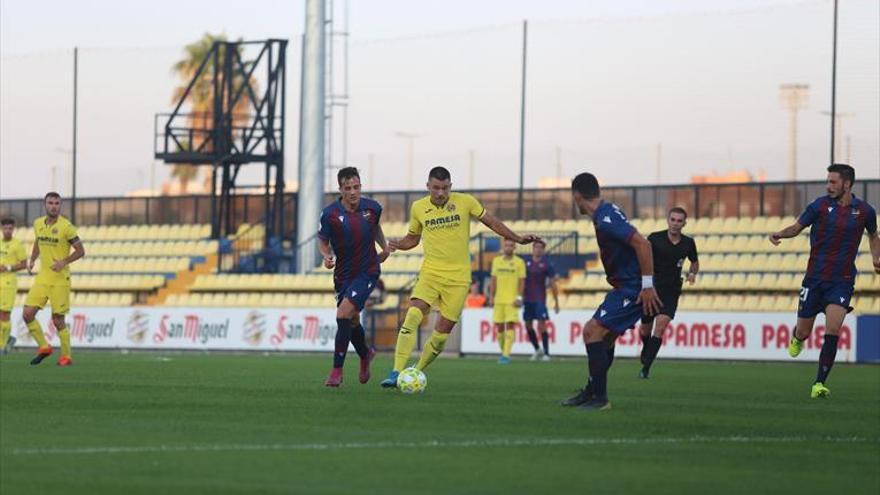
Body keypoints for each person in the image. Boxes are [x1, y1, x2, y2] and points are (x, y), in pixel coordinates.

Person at [379, 166, 540, 387]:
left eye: (445, 188)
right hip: (431, 273)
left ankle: (415, 373)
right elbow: (413, 239)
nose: (440, 193)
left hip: (459, 279)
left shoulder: (465, 202)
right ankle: (396, 372)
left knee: (441, 335)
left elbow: (492, 222)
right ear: (428, 187)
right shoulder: (418, 208)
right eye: (436, 188)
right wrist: (399, 244)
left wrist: (518, 238)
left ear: (450, 186)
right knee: (413, 315)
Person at [770, 164, 879, 399]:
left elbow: (873, 235)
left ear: (847, 184)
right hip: (814, 279)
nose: (828, 186)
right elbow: (797, 227)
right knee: (804, 330)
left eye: (832, 182)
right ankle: (797, 337)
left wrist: (876, 259)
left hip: (842, 280)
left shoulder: (865, 211)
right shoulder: (819, 206)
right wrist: (780, 234)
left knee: (833, 328)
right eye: (827, 181)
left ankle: (819, 383)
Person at [561, 173, 661, 410]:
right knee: (604, 339)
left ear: (577, 196)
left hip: (633, 288)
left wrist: (647, 286)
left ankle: (600, 398)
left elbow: (643, 243)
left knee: (591, 332)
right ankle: (592, 390)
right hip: (625, 285)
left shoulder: (605, 218)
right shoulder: (607, 211)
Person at [318, 167, 392, 387]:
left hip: (368, 270)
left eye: (356, 187)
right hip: (343, 274)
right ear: (340, 189)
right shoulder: (330, 214)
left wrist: (384, 247)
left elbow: (375, 228)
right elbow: (322, 240)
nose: (353, 192)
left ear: (361, 186)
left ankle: (336, 371)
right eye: (348, 188)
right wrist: (326, 255)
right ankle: (365, 353)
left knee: (342, 314)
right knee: (351, 320)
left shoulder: (373, 208)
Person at [23, 192, 86, 366]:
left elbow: (81, 251)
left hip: (60, 279)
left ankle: (66, 356)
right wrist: (33, 259)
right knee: (27, 314)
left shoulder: (67, 227)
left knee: (58, 320)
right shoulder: (38, 223)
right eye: (50, 203)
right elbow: (38, 241)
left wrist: (64, 261)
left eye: (57, 203)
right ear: (45, 204)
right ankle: (44, 347)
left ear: (60, 206)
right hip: (43, 277)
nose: (53, 206)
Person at [637, 207, 699, 378]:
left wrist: (692, 273)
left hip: (671, 291)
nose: (675, 223)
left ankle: (646, 369)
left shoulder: (688, 243)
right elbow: (643, 258)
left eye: (679, 221)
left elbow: (694, 262)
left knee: (661, 327)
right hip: (652, 289)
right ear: (668, 220)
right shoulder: (655, 238)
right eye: (673, 219)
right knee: (644, 330)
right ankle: (646, 347)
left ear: (684, 223)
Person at [488, 238, 526, 364]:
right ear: (503, 247)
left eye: (511, 245)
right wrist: (491, 296)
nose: (509, 247)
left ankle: (506, 355)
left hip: (512, 300)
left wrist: (519, 297)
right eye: (507, 245)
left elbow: (522, 281)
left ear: (515, 247)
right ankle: (503, 351)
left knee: (510, 325)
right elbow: (493, 280)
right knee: (499, 328)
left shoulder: (519, 262)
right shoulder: (496, 261)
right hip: (499, 300)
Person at [522, 239, 559, 361]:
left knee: (542, 325)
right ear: (533, 248)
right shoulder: (525, 263)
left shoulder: (547, 264)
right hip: (527, 298)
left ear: (543, 250)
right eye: (536, 247)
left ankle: (547, 353)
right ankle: (538, 349)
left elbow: (553, 283)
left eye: (540, 247)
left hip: (539, 299)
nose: (538, 249)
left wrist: (556, 301)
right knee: (528, 325)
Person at [1, 218, 28, 354]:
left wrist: (9, 267)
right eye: (5, 228)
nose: (7, 231)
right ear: (1, 229)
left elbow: (24, 263)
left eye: (10, 228)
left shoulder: (17, 245)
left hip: (8, 283)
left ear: (13, 229)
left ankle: (2, 345)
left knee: (4, 314)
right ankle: (7, 341)